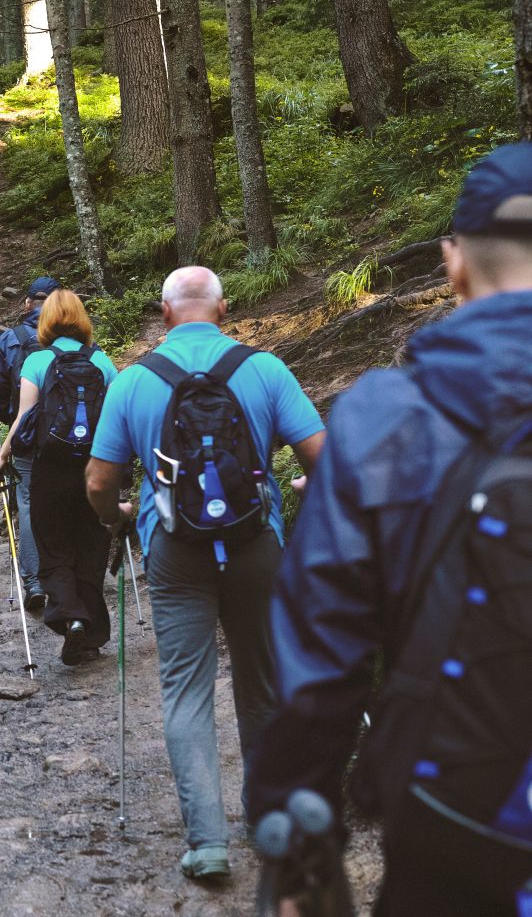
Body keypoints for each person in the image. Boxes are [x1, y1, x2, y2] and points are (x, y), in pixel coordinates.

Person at [247, 144, 532, 917]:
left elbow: (321, 649)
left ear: (453, 261)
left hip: (455, 817)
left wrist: (297, 826)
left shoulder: (387, 417)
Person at [84, 265, 325, 882]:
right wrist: (306, 487)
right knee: (261, 682)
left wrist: (115, 516)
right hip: (256, 545)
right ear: (224, 310)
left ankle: (207, 844)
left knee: (185, 689)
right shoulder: (264, 369)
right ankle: (268, 820)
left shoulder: (134, 379)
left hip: (173, 550)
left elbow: (97, 479)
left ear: (164, 314)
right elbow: (323, 458)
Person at [0, 289, 117, 663]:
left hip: (50, 468)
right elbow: (113, 421)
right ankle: (91, 632)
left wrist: (1, 457)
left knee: (54, 547)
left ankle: (70, 617)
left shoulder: (38, 360)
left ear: (45, 320)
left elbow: (23, 418)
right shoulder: (102, 361)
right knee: (91, 547)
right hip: (94, 467)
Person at [0, 275, 60, 612]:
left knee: (29, 503)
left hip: (28, 435)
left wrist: (12, 421)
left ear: (27, 303)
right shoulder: (80, 340)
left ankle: (34, 580)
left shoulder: (12, 338)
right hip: (73, 436)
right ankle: (67, 576)